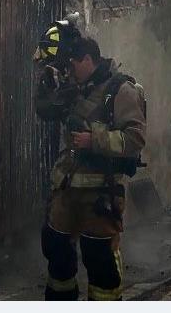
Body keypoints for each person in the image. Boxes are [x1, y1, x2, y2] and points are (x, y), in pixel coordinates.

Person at [33, 18, 147, 300]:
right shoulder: (77, 87)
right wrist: (47, 84)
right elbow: (47, 109)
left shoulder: (120, 90)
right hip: (68, 190)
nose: (68, 73)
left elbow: (135, 138)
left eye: (71, 65)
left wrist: (92, 140)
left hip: (100, 194)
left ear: (87, 59)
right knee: (57, 251)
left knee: (100, 262)